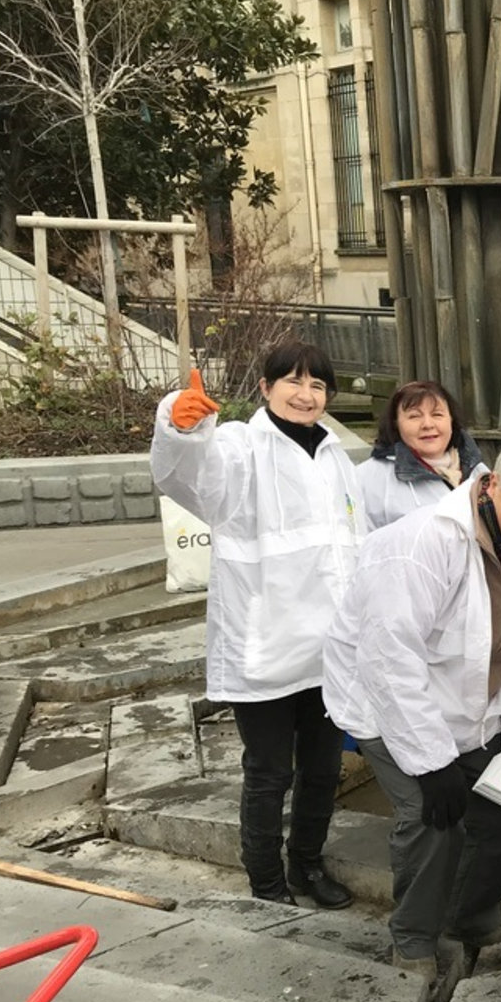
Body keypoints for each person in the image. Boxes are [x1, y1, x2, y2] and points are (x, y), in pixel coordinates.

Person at [322, 437, 501, 975]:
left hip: (471, 712)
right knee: (433, 819)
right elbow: (390, 658)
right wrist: (431, 762)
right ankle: (412, 941)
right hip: (387, 705)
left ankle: (472, 916)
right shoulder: (423, 543)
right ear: (491, 484)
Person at [150, 344, 360, 909]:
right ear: (265, 388)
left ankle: (308, 867)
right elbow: (186, 478)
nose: (305, 392)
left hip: (327, 650)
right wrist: (180, 424)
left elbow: (350, 546)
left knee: (322, 769)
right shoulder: (241, 445)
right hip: (264, 641)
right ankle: (266, 882)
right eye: (292, 380)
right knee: (269, 773)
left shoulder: (338, 457)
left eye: (317, 384)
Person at [356, 379, 485, 532]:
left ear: (451, 419)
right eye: (414, 416)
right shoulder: (368, 478)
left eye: (437, 414)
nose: (428, 425)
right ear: (396, 423)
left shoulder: (479, 471)